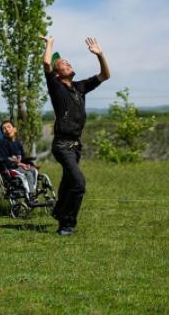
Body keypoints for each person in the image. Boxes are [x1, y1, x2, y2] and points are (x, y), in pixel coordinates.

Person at [40, 35, 110, 236]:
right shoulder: (56, 87)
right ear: (57, 73)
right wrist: (50, 43)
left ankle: (59, 211)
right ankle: (67, 224)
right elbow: (46, 62)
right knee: (78, 184)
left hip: (75, 146)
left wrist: (100, 55)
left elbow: (105, 75)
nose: (68, 64)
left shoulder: (80, 87)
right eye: (63, 63)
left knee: (69, 182)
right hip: (62, 145)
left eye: (69, 62)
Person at [0, 120, 38, 203]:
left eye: (8, 127)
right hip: (9, 169)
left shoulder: (18, 143)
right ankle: (31, 195)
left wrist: (26, 164)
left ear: (15, 129)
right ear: (2, 133)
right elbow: (4, 159)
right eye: (4, 129)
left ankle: (31, 190)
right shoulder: (3, 143)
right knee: (29, 174)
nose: (7, 129)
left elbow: (22, 157)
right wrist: (21, 164)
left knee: (34, 170)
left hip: (19, 167)